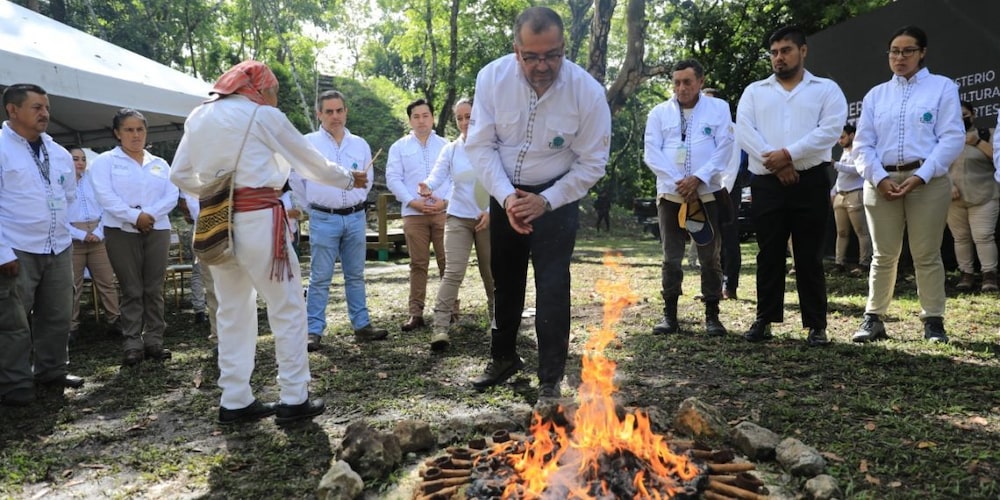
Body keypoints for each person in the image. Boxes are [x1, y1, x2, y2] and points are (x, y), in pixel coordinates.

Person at [170, 60, 368, 425]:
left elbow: (178, 173)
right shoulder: (262, 116)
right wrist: (347, 179)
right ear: (259, 89)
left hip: (217, 221)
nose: (275, 99)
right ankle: (294, 396)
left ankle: (235, 399)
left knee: (231, 311)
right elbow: (312, 164)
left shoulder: (198, 116)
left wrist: (218, 190)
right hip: (261, 220)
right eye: (273, 92)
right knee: (287, 307)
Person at [465, 6, 611, 401]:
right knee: (504, 278)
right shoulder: (492, 78)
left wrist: (545, 201)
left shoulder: (587, 92)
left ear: (564, 48)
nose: (543, 66)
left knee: (552, 284)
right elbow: (480, 145)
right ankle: (503, 356)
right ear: (517, 50)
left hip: (557, 196)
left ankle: (551, 375)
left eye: (552, 55)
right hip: (505, 192)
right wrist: (508, 197)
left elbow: (593, 162)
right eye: (532, 56)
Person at [851, 26, 964, 344]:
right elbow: (863, 145)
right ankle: (873, 318)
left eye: (907, 51)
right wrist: (879, 177)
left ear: (922, 52)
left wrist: (921, 176)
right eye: (894, 51)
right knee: (883, 254)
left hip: (927, 181)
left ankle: (933, 321)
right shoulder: (876, 95)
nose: (899, 57)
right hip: (881, 180)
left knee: (926, 253)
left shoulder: (941, 88)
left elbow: (951, 137)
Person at [736, 26, 847, 346]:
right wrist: (778, 163)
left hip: (810, 180)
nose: (779, 58)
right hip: (766, 181)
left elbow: (829, 131)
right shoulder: (755, 91)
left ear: (803, 50)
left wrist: (789, 155)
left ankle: (816, 324)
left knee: (809, 254)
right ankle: (764, 319)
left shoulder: (825, 89)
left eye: (786, 50)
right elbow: (745, 131)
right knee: (769, 252)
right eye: (774, 52)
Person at [0, 83, 84, 407]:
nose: (45, 113)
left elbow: (69, 196)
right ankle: (14, 383)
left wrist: (64, 232)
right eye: (36, 107)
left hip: (58, 246)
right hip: (16, 248)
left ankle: (51, 371)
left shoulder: (58, 151)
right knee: (12, 322)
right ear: (12, 110)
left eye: (46, 107)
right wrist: (2, 252)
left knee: (57, 315)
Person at [289, 90, 387, 351]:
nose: (335, 116)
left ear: (346, 112)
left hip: (355, 217)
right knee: (320, 277)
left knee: (355, 275)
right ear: (319, 114)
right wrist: (312, 206)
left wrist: (355, 200)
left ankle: (362, 325)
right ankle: (313, 330)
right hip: (324, 217)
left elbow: (366, 180)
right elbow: (296, 179)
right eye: (329, 111)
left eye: (339, 110)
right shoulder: (308, 143)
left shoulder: (360, 144)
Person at [644, 59, 733, 337]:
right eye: (677, 82)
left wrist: (699, 178)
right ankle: (669, 315)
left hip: (706, 194)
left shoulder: (718, 109)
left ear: (701, 81)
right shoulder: (659, 113)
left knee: (710, 256)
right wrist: (679, 183)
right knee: (671, 256)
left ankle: (712, 315)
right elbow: (651, 151)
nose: (681, 88)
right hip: (671, 196)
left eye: (687, 82)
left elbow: (725, 147)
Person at [89, 109, 178, 366]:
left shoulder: (160, 163)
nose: (135, 134)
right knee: (131, 288)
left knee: (153, 288)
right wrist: (133, 216)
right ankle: (132, 343)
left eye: (140, 129)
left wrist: (148, 215)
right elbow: (105, 196)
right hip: (120, 231)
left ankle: (154, 341)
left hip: (157, 229)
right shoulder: (105, 161)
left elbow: (171, 195)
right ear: (117, 133)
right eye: (129, 129)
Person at [418, 98, 494, 351]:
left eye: (469, 117)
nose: (464, 122)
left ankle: (499, 324)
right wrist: (427, 186)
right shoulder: (451, 149)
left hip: (488, 219)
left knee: (492, 274)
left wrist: (491, 212)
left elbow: (502, 181)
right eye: (460, 118)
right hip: (458, 217)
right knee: (453, 272)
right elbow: (438, 174)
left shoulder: (494, 146)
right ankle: (440, 328)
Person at [386, 99, 450, 332]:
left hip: (443, 211)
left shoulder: (446, 145)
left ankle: (450, 310)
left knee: (448, 262)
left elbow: (455, 177)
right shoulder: (399, 147)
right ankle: (416, 313)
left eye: (425, 115)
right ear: (410, 120)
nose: (421, 120)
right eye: (416, 116)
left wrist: (445, 201)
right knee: (418, 263)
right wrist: (413, 202)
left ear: (432, 117)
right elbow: (394, 178)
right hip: (413, 214)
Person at [66, 145, 121, 340]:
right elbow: (57, 215)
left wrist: (98, 231)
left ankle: (115, 321)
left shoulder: (93, 180)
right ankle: (71, 327)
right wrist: (81, 235)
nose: (80, 163)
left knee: (107, 281)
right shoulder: (60, 182)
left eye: (82, 159)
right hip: (73, 239)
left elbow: (105, 206)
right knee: (73, 285)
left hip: (98, 236)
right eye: (75, 159)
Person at [947, 101, 997, 292]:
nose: (961, 118)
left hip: (984, 195)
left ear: (973, 115)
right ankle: (966, 274)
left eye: (965, 114)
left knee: (983, 236)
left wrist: (977, 142)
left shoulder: (988, 134)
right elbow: (938, 166)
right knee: (960, 238)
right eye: (956, 115)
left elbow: (997, 158)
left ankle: (989, 275)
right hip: (953, 199)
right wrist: (949, 185)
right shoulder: (946, 139)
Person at [831, 124, 873, 275]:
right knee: (841, 232)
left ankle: (864, 263)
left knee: (861, 232)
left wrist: (835, 164)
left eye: (842, 137)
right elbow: (841, 176)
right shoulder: (844, 152)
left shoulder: (860, 150)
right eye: (838, 138)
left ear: (852, 135)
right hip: (841, 195)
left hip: (855, 194)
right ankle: (839, 263)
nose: (839, 141)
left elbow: (858, 170)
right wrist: (834, 191)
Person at [178, 193, 218, 340]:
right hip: (202, 227)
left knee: (202, 274)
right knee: (202, 273)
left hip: (204, 224)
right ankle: (201, 311)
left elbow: (183, 204)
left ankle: (200, 311)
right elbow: (183, 203)